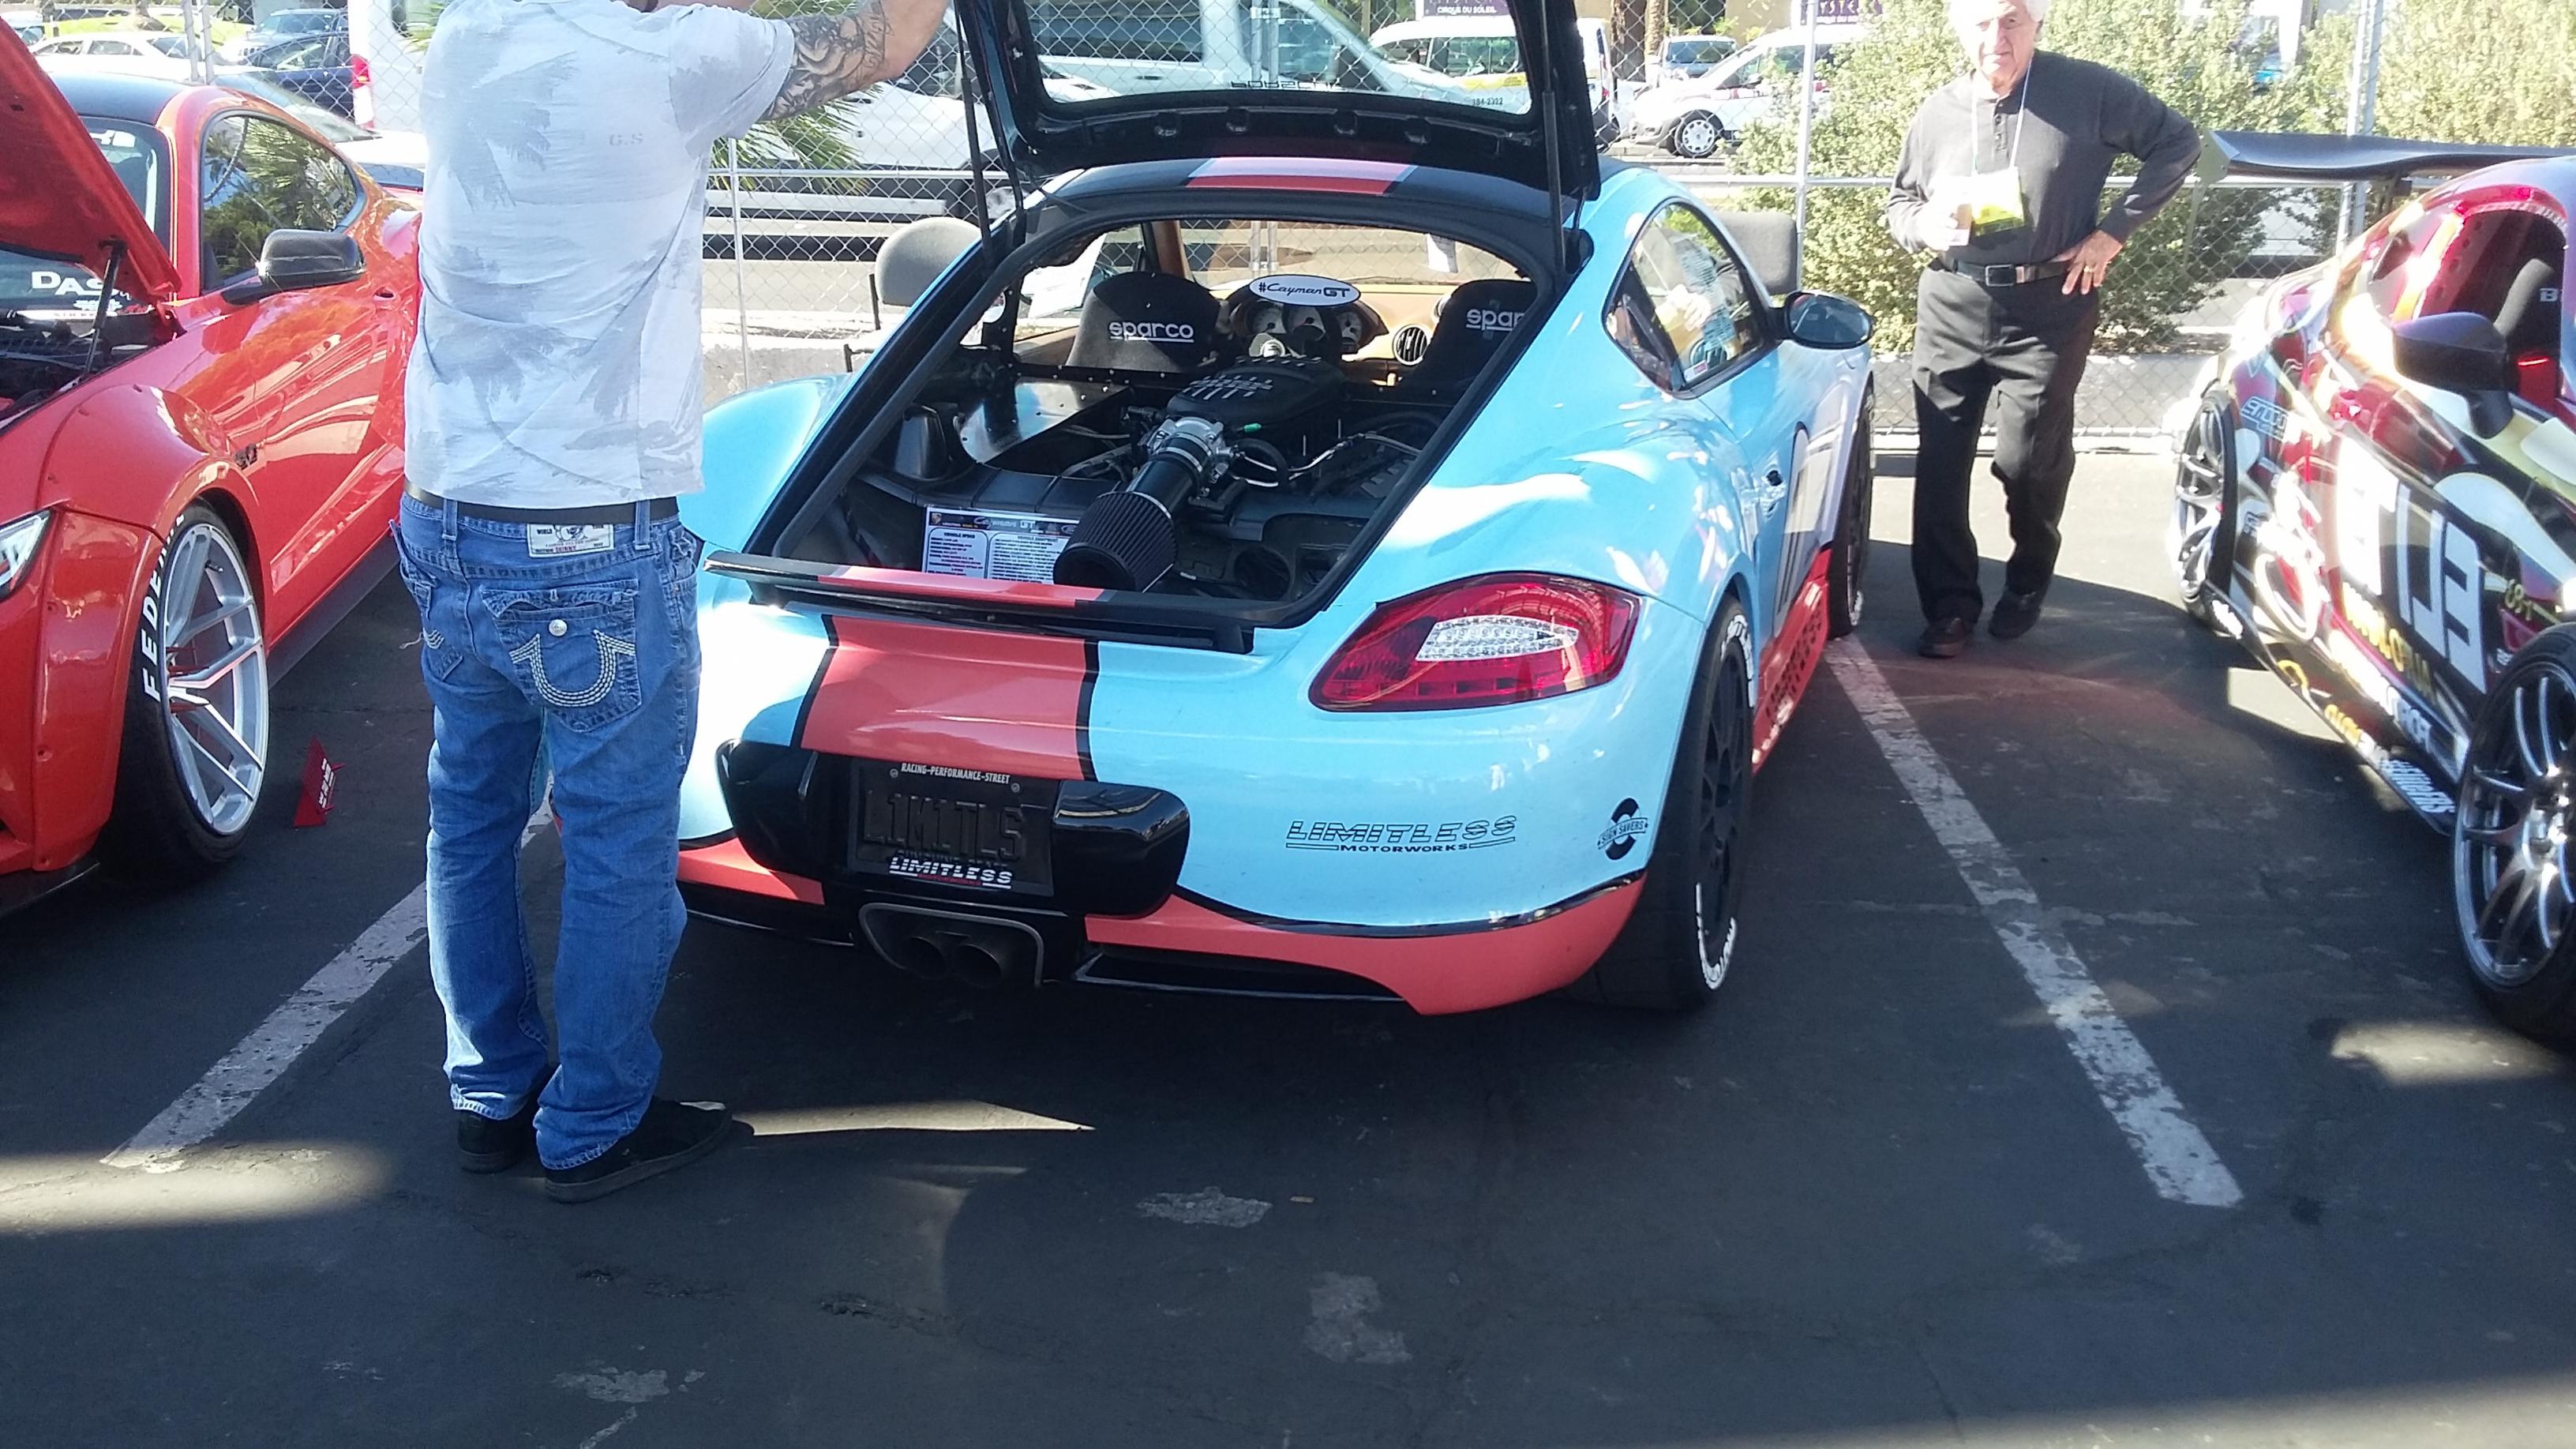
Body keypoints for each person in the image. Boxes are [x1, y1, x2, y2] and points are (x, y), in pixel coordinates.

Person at [396, 0, 949, 1203]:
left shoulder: (470, 34)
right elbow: (894, 38)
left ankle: (489, 1094)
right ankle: (592, 1121)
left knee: (470, 817)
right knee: (614, 840)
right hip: (588, 538)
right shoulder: (684, 54)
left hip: (445, 515)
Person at [1884, 0, 2199, 659]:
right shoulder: (1937, 110)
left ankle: (2027, 577)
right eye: (1981, 22)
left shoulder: (2087, 91)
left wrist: (2112, 234)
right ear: (1959, 28)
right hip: (1952, 298)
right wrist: (1920, 226)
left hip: (2050, 304)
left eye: (2012, 20)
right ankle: (1949, 607)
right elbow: (1900, 201)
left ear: (2036, 24)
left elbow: (2178, 143)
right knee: (1940, 462)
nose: (1995, 37)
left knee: (2027, 462)